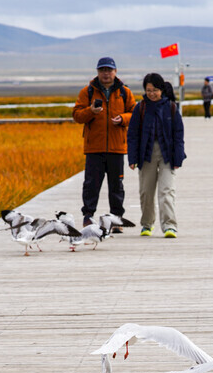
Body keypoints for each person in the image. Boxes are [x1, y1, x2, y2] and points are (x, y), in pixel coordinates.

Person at [72, 57, 137, 229]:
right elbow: (77, 115)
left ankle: (116, 219)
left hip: (116, 147)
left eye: (109, 70)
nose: (106, 73)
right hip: (94, 148)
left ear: (115, 72)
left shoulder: (125, 92)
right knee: (91, 185)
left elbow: (135, 114)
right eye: (102, 70)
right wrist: (91, 111)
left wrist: (122, 118)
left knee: (116, 186)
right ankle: (88, 217)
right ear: (97, 72)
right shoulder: (87, 91)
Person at [127, 72, 185, 239]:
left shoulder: (171, 107)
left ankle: (169, 226)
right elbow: (132, 135)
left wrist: (178, 157)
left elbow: (178, 134)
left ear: (161, 90)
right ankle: (147, 224)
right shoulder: (140, 108)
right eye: (149, 90)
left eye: (155, 90)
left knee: (167, 191)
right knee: (146, 192)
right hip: (146, 154)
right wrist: (132, 158)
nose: (152, 93)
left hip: (167, 154)